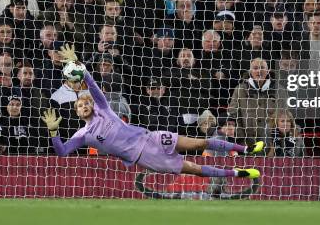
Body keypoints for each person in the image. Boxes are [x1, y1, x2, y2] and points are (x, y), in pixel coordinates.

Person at [42, 45, 264, 179]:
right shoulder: (83, 135)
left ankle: (245, 148)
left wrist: (77, 63)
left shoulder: (104, 110)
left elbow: (91, 85)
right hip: (145, 156)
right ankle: (238, 173)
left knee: (199, 143)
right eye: (80, 106)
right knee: (194, 168)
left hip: (152, 137)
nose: (84, 105)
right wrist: (53, 132)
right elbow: (62, 151)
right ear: (78, 114)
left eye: (86, 103)